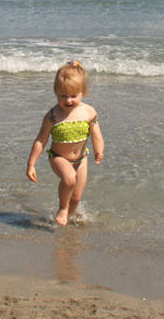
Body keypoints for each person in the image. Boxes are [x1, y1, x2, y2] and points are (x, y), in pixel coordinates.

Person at [26, 61, 105, 226]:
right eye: (63, 96)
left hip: (81, 160)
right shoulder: (52, 115)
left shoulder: (89, 112)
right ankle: (62, 208)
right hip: (58, 157)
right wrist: (31, 164)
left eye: (73, 96)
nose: (68, 100)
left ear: (83, 92)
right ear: (56, 92)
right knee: (69, 178)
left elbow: (96, 135)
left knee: (76, 198)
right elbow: (41, 139)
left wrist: (99, 150)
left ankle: (65, 221)